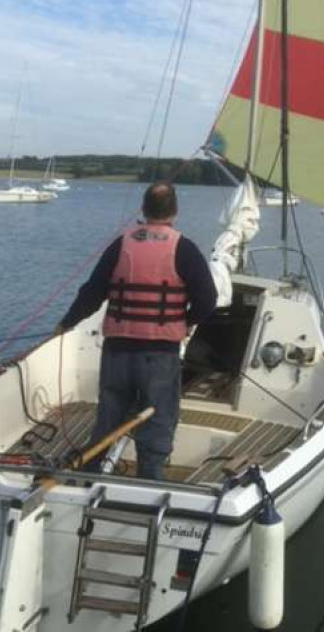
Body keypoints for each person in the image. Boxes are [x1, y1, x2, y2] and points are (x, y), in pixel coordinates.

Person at [56, 181, 217, 480]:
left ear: (143, 209)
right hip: (159, 353)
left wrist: (66, 323)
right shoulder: (184, 248)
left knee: (109, 416)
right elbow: (208, 300)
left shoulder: (121, 245)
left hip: (118, 351)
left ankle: (88, 476)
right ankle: (149, 481)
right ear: (175, 211)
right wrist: (185, 322)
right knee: (158, 418)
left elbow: (92, 293)